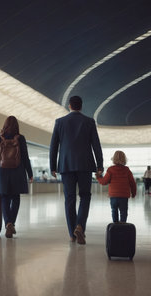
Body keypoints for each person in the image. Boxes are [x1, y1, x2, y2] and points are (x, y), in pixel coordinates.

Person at [49, 96, 103, 245]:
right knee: (85, 196)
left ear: (69, 106)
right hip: (85, 164)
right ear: (81, 106)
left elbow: (54, 146)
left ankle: (72, 233)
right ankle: (80, 226)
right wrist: (100, 165)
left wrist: (52, 166)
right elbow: (96, 145)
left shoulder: (60, 122)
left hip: (66, 165)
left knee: (70, 199)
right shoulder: (89, 122)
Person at [0, 116, 33, 238]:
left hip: (3, 172)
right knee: (15, 197)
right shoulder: (21, 139)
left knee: (4, 198)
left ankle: (8, 223)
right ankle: (11, 223)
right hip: (17, 171)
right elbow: (25, 157)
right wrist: (30, 173)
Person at [96, 150, 136, 223]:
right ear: (124, 159)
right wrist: (133, 193)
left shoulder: (111, 170)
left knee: (114, 211)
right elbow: (132, 183)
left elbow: (104, 181)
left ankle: (115, 226)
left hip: (113, 196)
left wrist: (98, 177)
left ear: (113, 159)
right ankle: (123, 226)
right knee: (123, 212)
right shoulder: (127, 170)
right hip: (124, 196)